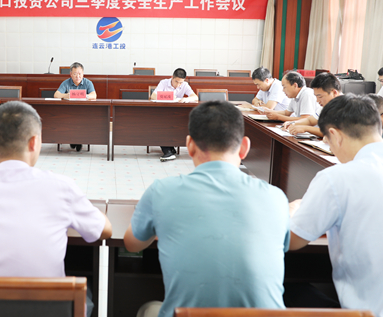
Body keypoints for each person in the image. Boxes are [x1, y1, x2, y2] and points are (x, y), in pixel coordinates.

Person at [124, 101, 289, 317]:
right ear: (244, 147)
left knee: (147, 309)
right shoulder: (276, 197)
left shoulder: (161, 191)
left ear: (190, 145)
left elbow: (132, 244)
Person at [0, 101, 112, 317]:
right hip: (48, 310)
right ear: (34, 142)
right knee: (88, 292)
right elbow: (105, 230)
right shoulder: (61, 187)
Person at [289, 95, 383, 316]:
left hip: (369, 312)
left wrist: (292, 209)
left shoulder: (337, 178)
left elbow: (292, 241)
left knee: (289, 289)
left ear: (335, 135)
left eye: (328, 141)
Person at [151, 68, 197, 161]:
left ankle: (170, 149)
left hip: (176, 114)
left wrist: (187, 99)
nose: (178, 85)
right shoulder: (164, 82)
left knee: (178, 125)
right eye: (176, 81)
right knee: (161, 125)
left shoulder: (185, 85)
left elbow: (195, 97)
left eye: (181, 82)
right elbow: (153, 96)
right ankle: (168, 150)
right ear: (172, 77)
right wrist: (170, 97)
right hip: (162, 113)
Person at [54, 62, 97, 151]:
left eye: (80, 74)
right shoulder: (66, 83)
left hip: (84, 112)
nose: (78, 76)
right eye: (75, 74)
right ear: (71, 74)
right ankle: (73, 140)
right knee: (70, 120)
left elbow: (94, 95)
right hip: (69, 112)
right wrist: (66, 95)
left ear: (83, 73)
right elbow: (56, 95)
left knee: (81, 120)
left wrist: (85, 96)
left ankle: (78, 141)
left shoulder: (88, 83)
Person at [285, 72, 342, 138]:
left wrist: (306, 128)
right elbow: (310, 120)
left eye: (320, 97)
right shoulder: (327, 105)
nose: (317, 101)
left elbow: (332, 133)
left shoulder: (346, 106)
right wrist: (293, 123)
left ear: (334, 92)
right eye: (316, 96)